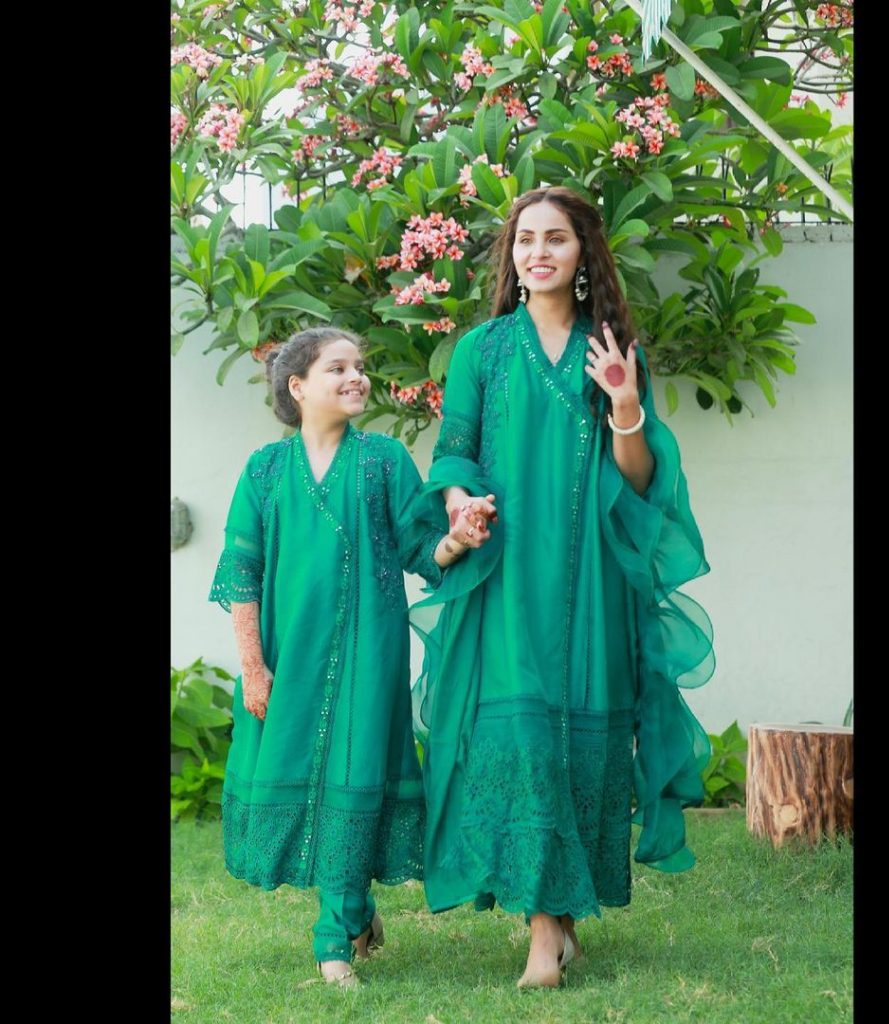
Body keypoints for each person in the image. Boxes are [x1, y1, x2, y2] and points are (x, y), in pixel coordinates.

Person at [410, 187, 716, 988]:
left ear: (584, 254)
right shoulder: (480, 349)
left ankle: (566, 921)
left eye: (555, 239)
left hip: (590, 581)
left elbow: (641, 479)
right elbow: (455, 453)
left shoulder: (610, 347)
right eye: (524, 240)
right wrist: (461, 507)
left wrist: (623, 403)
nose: (536, 252)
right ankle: (543, 935)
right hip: (508, 573)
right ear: (511, 255)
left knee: (582, 741)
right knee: (521, 739)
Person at [208, 326, 492, 988]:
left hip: (371, 656)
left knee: (358, 775)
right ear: (298, 386)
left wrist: (458, 537)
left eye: (360, 367)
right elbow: (241, 574)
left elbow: (423, 553)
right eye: (339, 367)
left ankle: (332, 937)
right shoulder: (264, 471)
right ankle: (359, 910)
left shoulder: (386, 462)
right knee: (308, 778)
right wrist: (253, 666)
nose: (356, 377)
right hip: (291, 657)